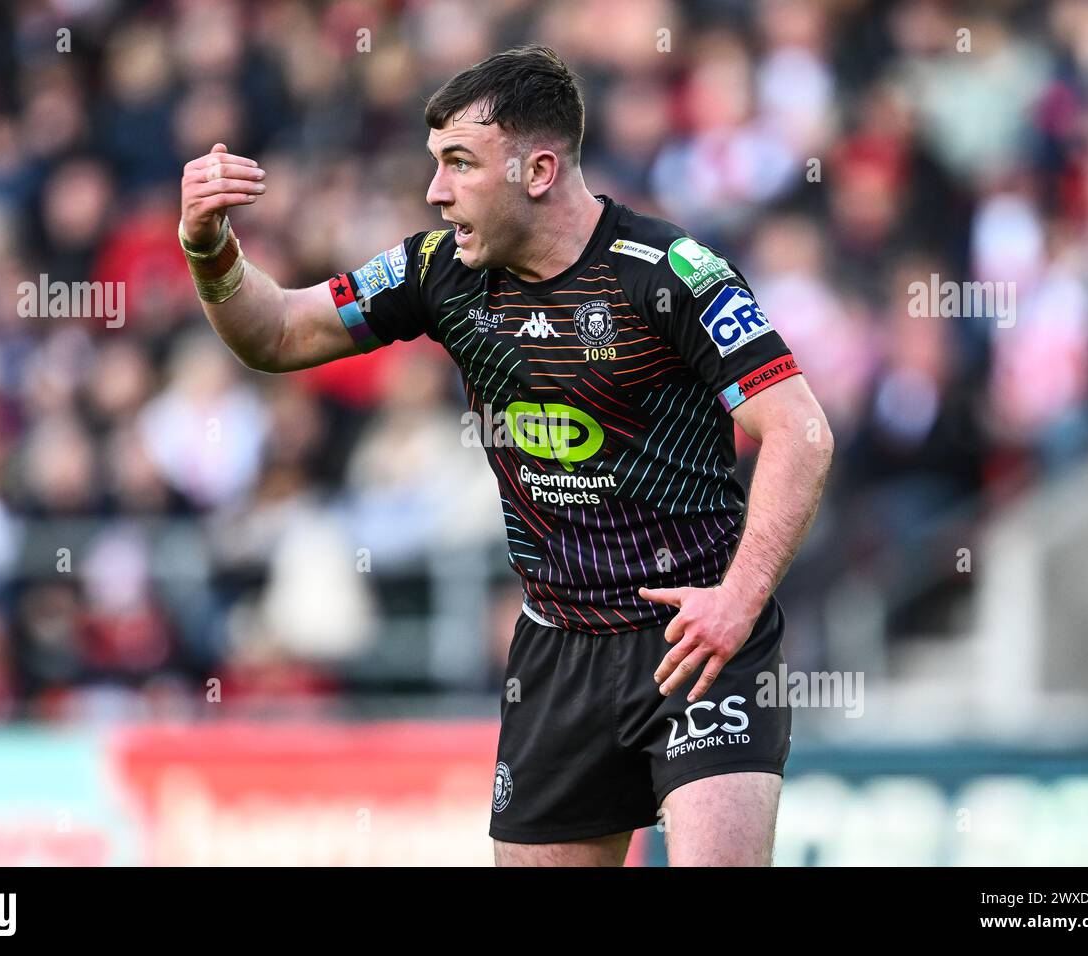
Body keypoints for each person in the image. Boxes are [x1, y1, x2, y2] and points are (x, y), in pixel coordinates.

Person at [178, 45, 833, 866]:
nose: (436, 190)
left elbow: (801, 434)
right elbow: (276, 332)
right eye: (435, 163)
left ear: (539, 170)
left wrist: (736, 602)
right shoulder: (438, 269)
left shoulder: (670, 276)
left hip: (695, 642)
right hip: (556, 649)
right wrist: (208, 247)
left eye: (459, 163)